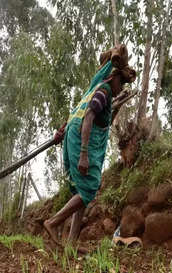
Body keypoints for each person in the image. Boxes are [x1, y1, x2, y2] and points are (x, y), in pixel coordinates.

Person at [44, 44, 137, 246]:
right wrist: (84, 153)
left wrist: (118, 104)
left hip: (72, 134)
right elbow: (88, 117)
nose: (121, 89)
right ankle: (53, 222)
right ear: (114, 77)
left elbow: (101, 122)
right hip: (80, 139)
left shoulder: (96, 90)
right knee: (89, 188)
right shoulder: (103, 91)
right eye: (121, 84)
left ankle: (70, 244)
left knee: (81, 193)